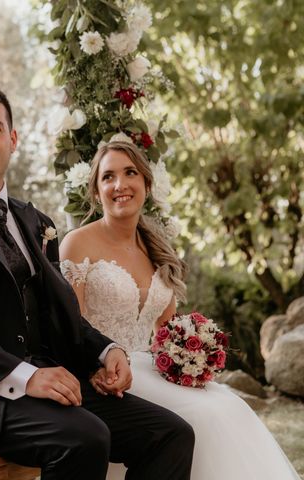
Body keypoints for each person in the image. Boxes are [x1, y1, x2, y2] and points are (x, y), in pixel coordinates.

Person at [0, 83, 195, 479]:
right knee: (84, 437)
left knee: (169, 434)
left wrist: (105, 352)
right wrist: (28, 377)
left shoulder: (34, 222)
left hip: (34, 389)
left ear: (12, 140)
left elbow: (58, 312)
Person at [59, 139, 300, 480]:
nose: (120, 185)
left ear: (146, 183)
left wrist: (192, 357)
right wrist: (96, 365)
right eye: (108, 177)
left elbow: (166, 330)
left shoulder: (157, 248)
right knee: (206, 418)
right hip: (107, 373)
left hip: (153, 369)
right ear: (97, 192)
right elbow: (70, 325)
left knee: (231, 407)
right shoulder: (77, 242)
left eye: (130, 173)